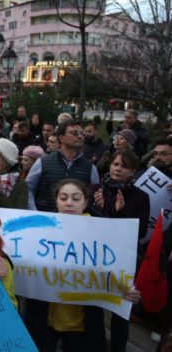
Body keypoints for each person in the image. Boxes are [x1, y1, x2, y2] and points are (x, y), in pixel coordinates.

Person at [25, 178, 140, 351]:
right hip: (43, 321)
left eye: (76, 198)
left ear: (86, 202)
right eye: (63, 198)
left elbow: (112, 273)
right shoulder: (39, 232)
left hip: (84, 325)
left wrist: (126, 292)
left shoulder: (103, 234)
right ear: (56, 201)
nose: (69, 203)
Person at [91, 149, 149, 352]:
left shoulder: (141, 197)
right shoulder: (95, 189)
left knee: (120, 311)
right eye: (116, 164)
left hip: (123, 259)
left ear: (132, 171)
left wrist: (120, 212)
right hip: (95, 256)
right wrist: (99, 208)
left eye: (124, 166)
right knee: (94, 307)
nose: (118, 169)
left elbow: (140, 231)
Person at [26, 120, 100, 212]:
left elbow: (94, 197)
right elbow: (28, 189)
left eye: (82, 133)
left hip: (76, 221)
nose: (80, 136)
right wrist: (34, 212)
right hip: (44, 219)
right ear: (61, 138)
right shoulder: (42, 162)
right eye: (74, 133)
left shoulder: (90, 168)